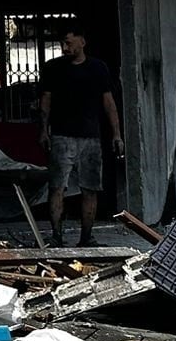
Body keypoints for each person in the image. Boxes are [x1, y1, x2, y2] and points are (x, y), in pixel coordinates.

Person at [36, 25, 124, 247]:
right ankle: (56, 236)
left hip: (90, 137)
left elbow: (109, 103)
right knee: (57, 187)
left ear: (82, 42)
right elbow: (45, 101)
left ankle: (86, 238)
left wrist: (117, 134)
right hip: (61, 136)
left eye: (68, 43)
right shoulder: (53, 68)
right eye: (62, 44)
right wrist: (44, 130)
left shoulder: (98, 68)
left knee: (90, 188)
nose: (64, 48)